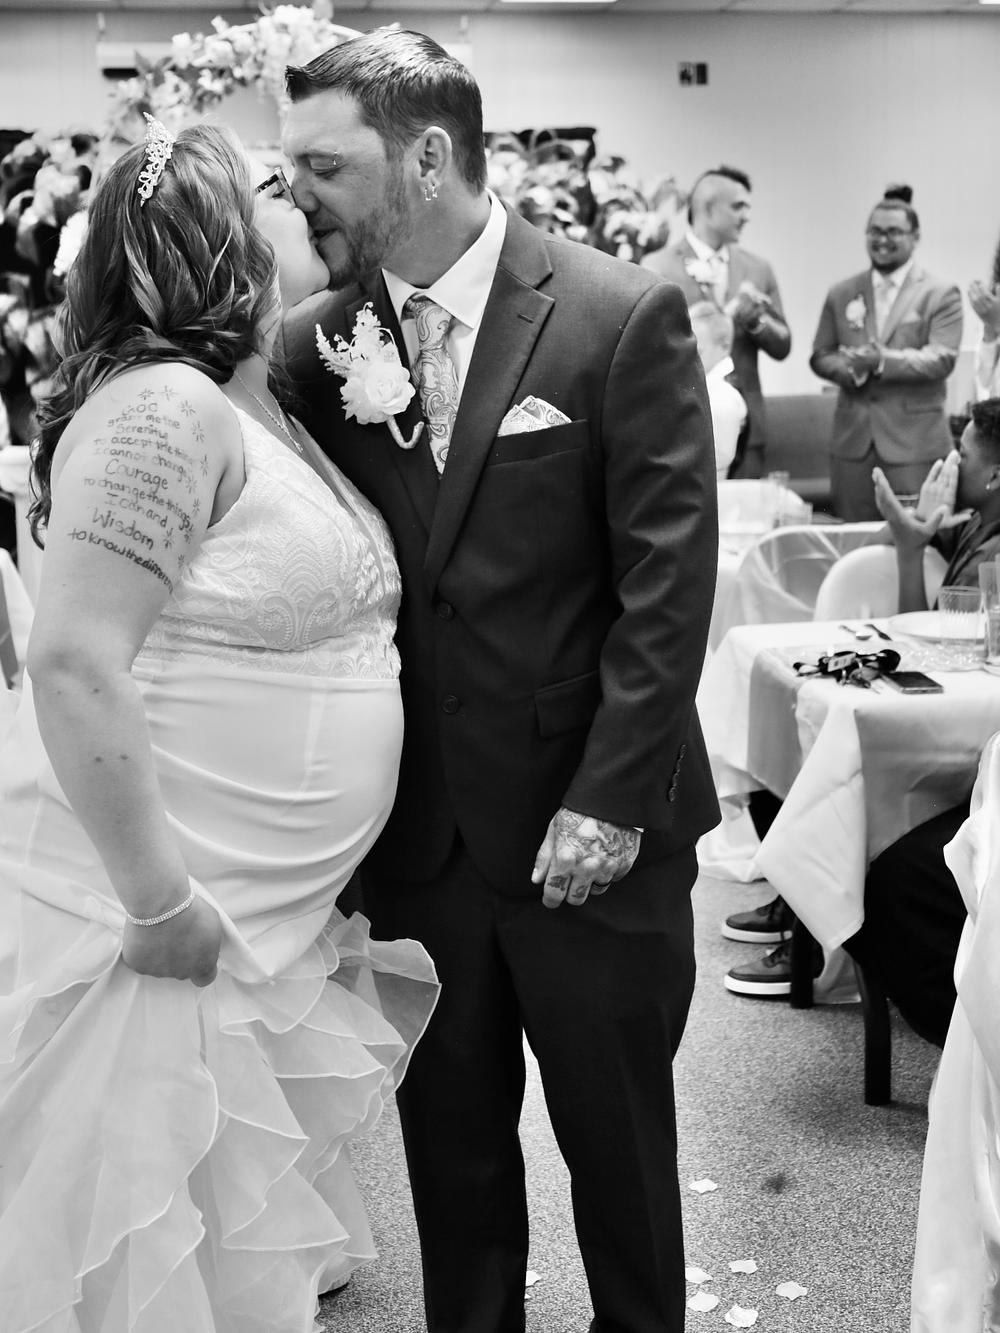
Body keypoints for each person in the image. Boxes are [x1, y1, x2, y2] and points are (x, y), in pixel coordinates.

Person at [281, 27, 720, 1333]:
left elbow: (666, 588)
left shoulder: (615, 315)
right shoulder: (312, 349)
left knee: (622, 1165)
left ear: (428, 157)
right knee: (453, 1171)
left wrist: (609, 801)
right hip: (422, 846)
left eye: (326, 165)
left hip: (596, 837)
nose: (298, 192)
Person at [0, 119, 438, 1332]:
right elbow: (74, 658)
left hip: (261, 917)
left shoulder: (261, 400)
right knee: (126, 1257)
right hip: (160, 923)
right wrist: (156, 903)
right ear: (218, 238)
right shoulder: (164, 406)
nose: (306, 198)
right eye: (276, 187)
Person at [723, 409, 1000, 1002]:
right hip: (940, 701)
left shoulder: (993, 550)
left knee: (825, 752)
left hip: (959, 732)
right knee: (784, 736)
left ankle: (820, 938)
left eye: (964, 454)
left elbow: (942, 635)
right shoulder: (975, 522)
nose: (950, 463)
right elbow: (914, 610)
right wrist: (910, 535)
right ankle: (797, 905)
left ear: (995, 477)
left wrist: (912, 543)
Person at [809, 184, 963, 521]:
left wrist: (881, 361)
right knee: (853, 539)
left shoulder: (940, 293)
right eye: (875, 231)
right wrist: (852, 370)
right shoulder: (842, 292)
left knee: (918, 536)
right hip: (853, 445)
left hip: (914, 443)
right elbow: (820, 355)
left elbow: (942, 358)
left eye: (893, 232)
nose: (882, 239)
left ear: (915, 236)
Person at [641, 163, 790, 479]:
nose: (746, 216)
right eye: (738, 206)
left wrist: (757, 323)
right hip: (680, 424)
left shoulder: (757, 268)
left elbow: (783, 345)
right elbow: (647, 346)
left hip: (746, 425)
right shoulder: (657, 266)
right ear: (708, 208)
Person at [689, 298, 748, 479]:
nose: (689, 359)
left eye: (698, 352)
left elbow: (717, 460)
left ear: (724, 347)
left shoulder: (724, 395)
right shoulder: (707, 385)